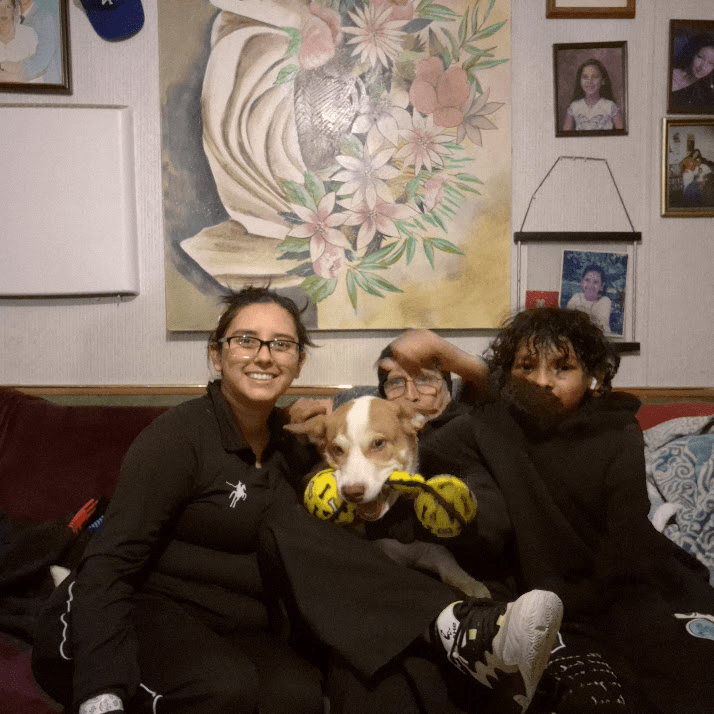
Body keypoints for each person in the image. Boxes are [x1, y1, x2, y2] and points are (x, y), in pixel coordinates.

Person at [33, 287, 563, 714]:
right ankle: (454, 627)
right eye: (246, 340)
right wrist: (99, 688)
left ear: (299, 361)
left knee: (296, 696)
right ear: (217, 354)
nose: (264, 355)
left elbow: (504, 411)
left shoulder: (296, 446)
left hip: (241, 624)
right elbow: (110, 563)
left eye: (282, 344)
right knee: (226, 686)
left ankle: (461, 630)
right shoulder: (177, 439)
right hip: (151, 608)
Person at [388, 308, 714, 712]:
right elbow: (417, 458)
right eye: (527, 367)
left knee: (684, 671)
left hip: (623, 583)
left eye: (563, 367)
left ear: (592, 376)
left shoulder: (616, 430)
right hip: (536, 594)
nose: (542, 380)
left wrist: (449, 354)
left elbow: (626, 547)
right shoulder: (487, 424)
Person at [562, 59, 623, 132]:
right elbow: (565, 134)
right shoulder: (574, 107)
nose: (589, 81)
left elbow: (621, 133)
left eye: (595, 76)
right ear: (580, 81)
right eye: (585, 77)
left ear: (603, 81)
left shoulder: (610, 106)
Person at [670, 34, 714, 113]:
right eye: (700, 57)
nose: (703, 67)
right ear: (692, 54)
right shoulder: (671, 74)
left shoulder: (705, 93)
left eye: (711, 63)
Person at [565, 264, 612, 333]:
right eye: (587, 280)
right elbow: (567, 318)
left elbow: (601, 325)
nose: (590, 285)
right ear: (582, 282)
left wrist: (581, 313)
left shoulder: (605, 301)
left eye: (595, 282)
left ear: (601, 286)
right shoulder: (576, 297)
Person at [0, 0, 37, 81]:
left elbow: (39, 66)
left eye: (8, 7)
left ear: (14, 11)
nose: (3, 12)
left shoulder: (28, 33)